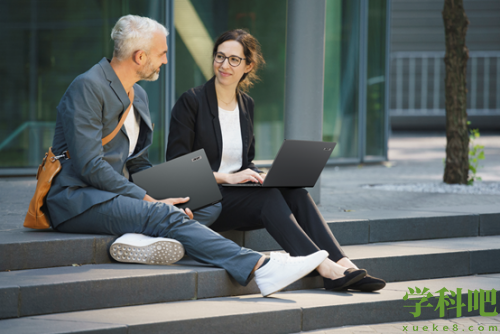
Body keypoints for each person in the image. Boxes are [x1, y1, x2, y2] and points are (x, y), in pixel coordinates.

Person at [45, 15, 332, 297]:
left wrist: (166, 190)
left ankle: (140, 237)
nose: (166, 61)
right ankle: (260, 266)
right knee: (164, 211)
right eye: (162, 54)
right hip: (78, 197)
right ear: (140, 56)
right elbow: (89, 165)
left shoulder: (138, 96)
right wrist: (149, 199)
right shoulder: (88, 87)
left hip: (113, 194)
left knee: (204, 204)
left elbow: (137, 163)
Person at [166, 29, 385, 292]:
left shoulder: (246, 104)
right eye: (220, 57)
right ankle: (325, 268)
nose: (225, 65)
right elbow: (177, 167)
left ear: (248, 65)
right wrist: (227, 177)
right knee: (267, 199)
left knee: (296, 193)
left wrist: (262, 175)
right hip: (206, 199)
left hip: (237, 195)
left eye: (234, 59)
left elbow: (246, 161)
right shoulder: (192, 102)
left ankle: (344, 262)